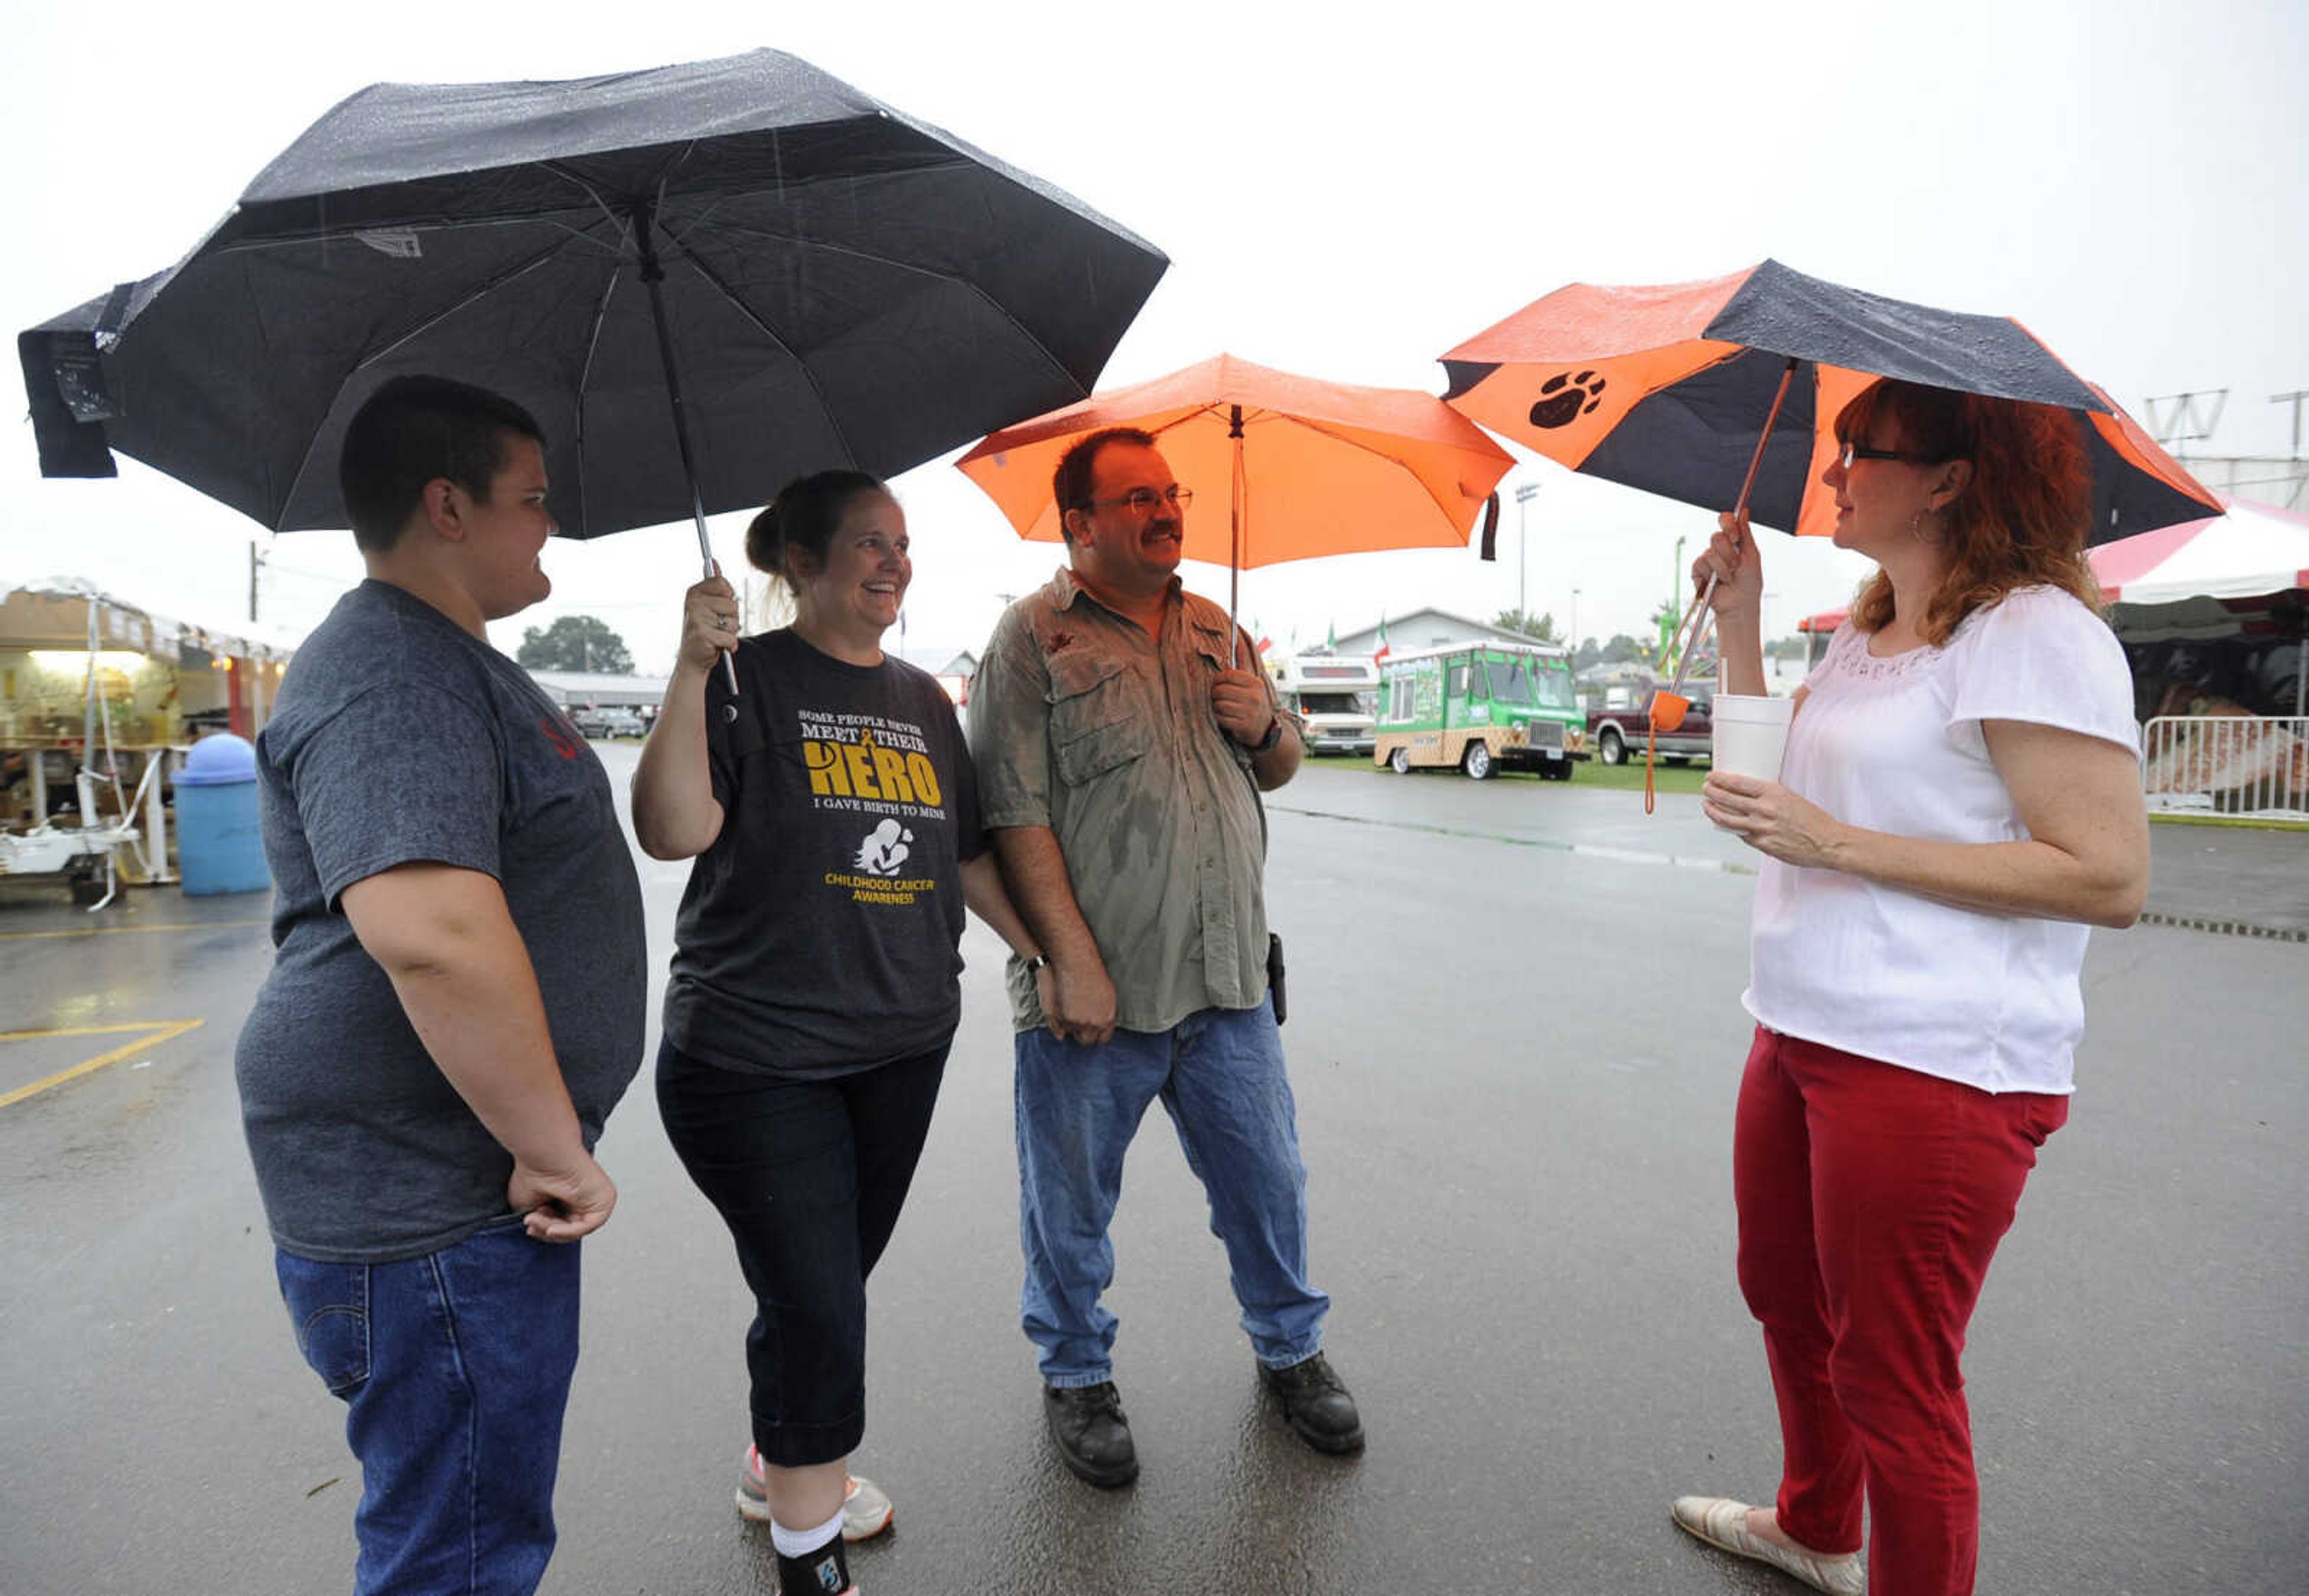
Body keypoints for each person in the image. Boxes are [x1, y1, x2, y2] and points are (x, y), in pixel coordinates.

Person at [1668, 379, 2151, 1596]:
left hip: (1937, 1064)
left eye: (1859, 449)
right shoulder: (1871, 629)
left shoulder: (2035, 632)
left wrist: (1839, 844)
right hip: (1800, 1024)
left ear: (1949, 477)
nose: (1830, 471)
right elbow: (1771, 799)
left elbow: (2105, 873)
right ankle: (1818, 1526)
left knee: (1896, 1376)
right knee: (1782, 1293)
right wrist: (1742, 626)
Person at [236, 375, 646, 1596]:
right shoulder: (393, 671)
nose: (550, 524)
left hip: (439, 1191)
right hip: (437, 1206)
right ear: (447, 506)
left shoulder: (444, 661)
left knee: (466, 1524)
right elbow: (433, 931)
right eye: (533, 500)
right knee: (459, 1552)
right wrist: (553, 1150)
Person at [631, 470, 1047, 1596]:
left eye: (904, 545)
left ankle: (780, 1457)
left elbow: (960, 855)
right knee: (820, 1299)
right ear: (800, 562)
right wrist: (687, 664)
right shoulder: (738, 681)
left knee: (819, 1282)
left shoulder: (922, 699)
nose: (894, 562)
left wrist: (1045, 951)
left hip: (902, 1048)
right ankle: (811, 1564)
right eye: (869, 542)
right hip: (753, 1059)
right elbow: (671, 830)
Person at [967, 427, 1363, 1489]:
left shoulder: (1216, 628)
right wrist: (1069, 957)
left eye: (1170, 491)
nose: (1164, 509)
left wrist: (1267, 719)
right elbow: (1012, 813)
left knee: (1268, 1184)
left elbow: (1277, 769)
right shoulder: (1031, 639)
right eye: (1135, 496)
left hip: (1228, 981)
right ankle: (1077, 1372)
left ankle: (1291, 1348)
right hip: (1095, 992)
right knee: (1071, 1204)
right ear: (1081, 524)